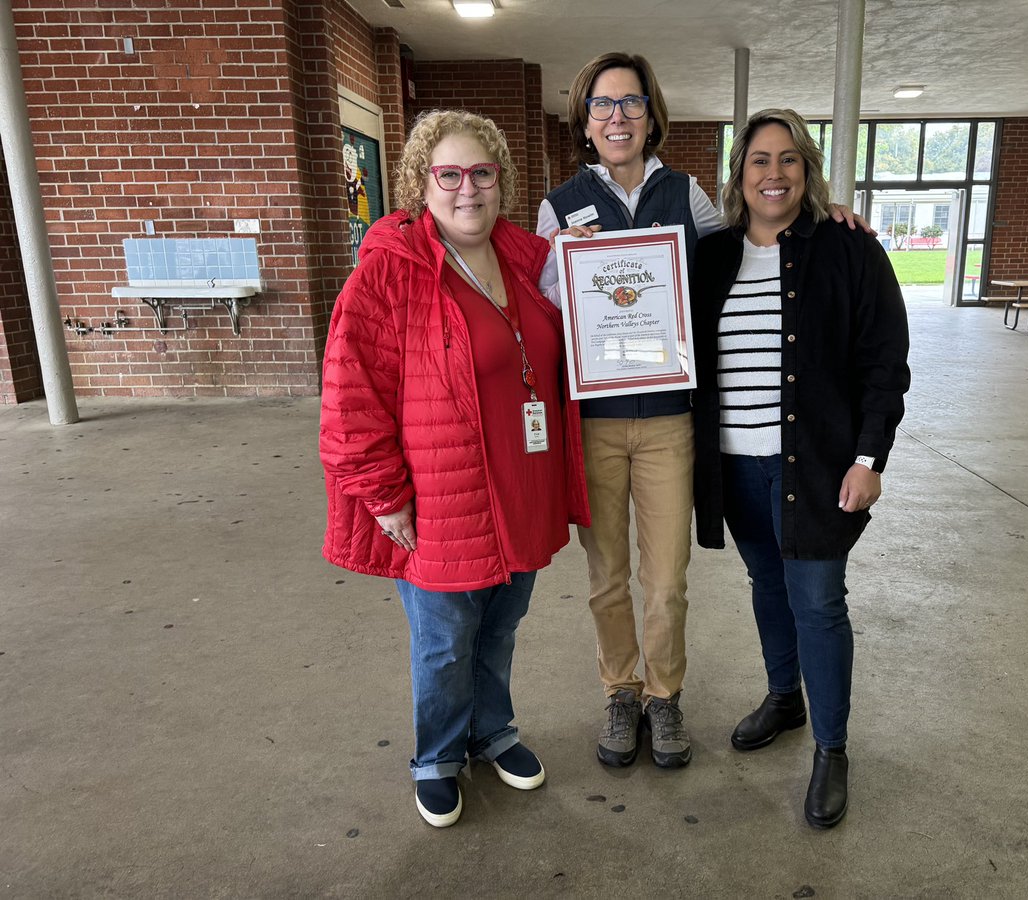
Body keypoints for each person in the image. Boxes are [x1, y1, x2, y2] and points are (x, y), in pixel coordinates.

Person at [537, 52, 871, 771]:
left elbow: (748, 239)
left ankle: (665, 696)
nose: (617, 117)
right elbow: (543, 314)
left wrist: (828, 210)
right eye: (603, 105)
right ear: (584, 120)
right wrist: (566, 261)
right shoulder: (558, 206)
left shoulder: (685, 195)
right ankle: (619, 691)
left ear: (652, 115)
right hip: (591, 419)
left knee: (666, 578)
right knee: (606, 576)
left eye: (631, 103)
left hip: (668, 419)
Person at [319, 110, 589, 828]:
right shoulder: (388, 274)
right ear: (421, 182)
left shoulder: (532, 259)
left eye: (482, 173)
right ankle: (437, 756)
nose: (466, 189)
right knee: (444, 641)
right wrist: (383, 496)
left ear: (500, 180)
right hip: (441, 494)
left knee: (500, 627)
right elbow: (351, 395)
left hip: (522, 484)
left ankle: (492, 732)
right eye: (449, 174)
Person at [690, 108, 910, 829]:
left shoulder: (848, 251)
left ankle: (831, 747)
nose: (774, 174)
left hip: (813, 469)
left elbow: (885, 363)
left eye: (789, 160)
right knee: (765, 582)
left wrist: (869, 458)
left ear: (807, 172)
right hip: (735, 468)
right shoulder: (712, 254)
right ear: (739, 174)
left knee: (818, 600)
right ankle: (785, 697)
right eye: (759, 160)